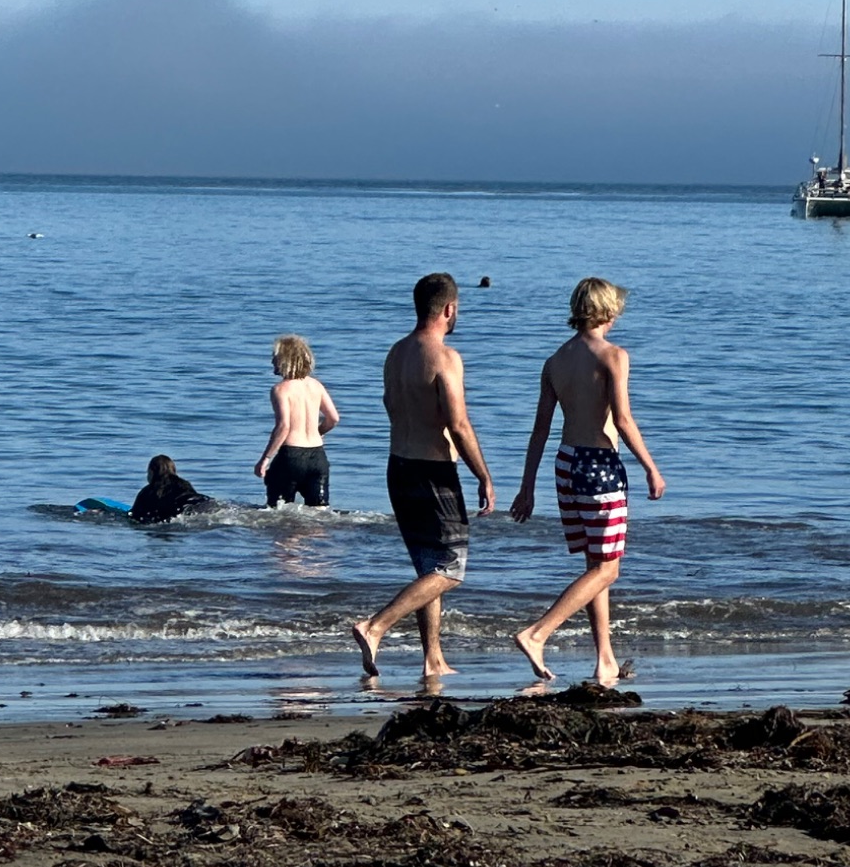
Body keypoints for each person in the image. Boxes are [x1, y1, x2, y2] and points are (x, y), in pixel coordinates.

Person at [509, 276, 666, 687]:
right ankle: (537, 633)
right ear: (607, 312)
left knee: (595, 565)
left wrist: (526, 487)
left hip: (566, 464)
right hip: (599, 464)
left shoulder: (555, 361)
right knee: (608, 570)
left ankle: (605, 660)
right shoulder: (613, 356)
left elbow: (539, 429)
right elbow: (624, 419)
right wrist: (651, 466)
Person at [351, 274, 495, 680]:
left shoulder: (395, 354)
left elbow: (390, 405)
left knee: (427, 568)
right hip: (433, 471)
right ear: (449, 309)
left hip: (398, 466)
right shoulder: (445, 357)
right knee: (450, 568)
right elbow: (459, 423)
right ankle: (375, 626)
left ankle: (433, 658)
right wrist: (482, 475)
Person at [254, 335, 339, 506]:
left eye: (275, 357)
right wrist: (317, 432)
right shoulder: (316, 385)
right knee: (319, 514)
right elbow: (333, 418)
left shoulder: (280, 389)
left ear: (285, 360)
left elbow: (284, 426)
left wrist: (265, 459)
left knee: (278, 514)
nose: (272, 361)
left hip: (290, 458)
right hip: (318, 457)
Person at [130, 454, 211, 524]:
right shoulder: (184, 484)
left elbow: (134, 517)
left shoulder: (148, 491)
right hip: (204, 504)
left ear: (151, 472)